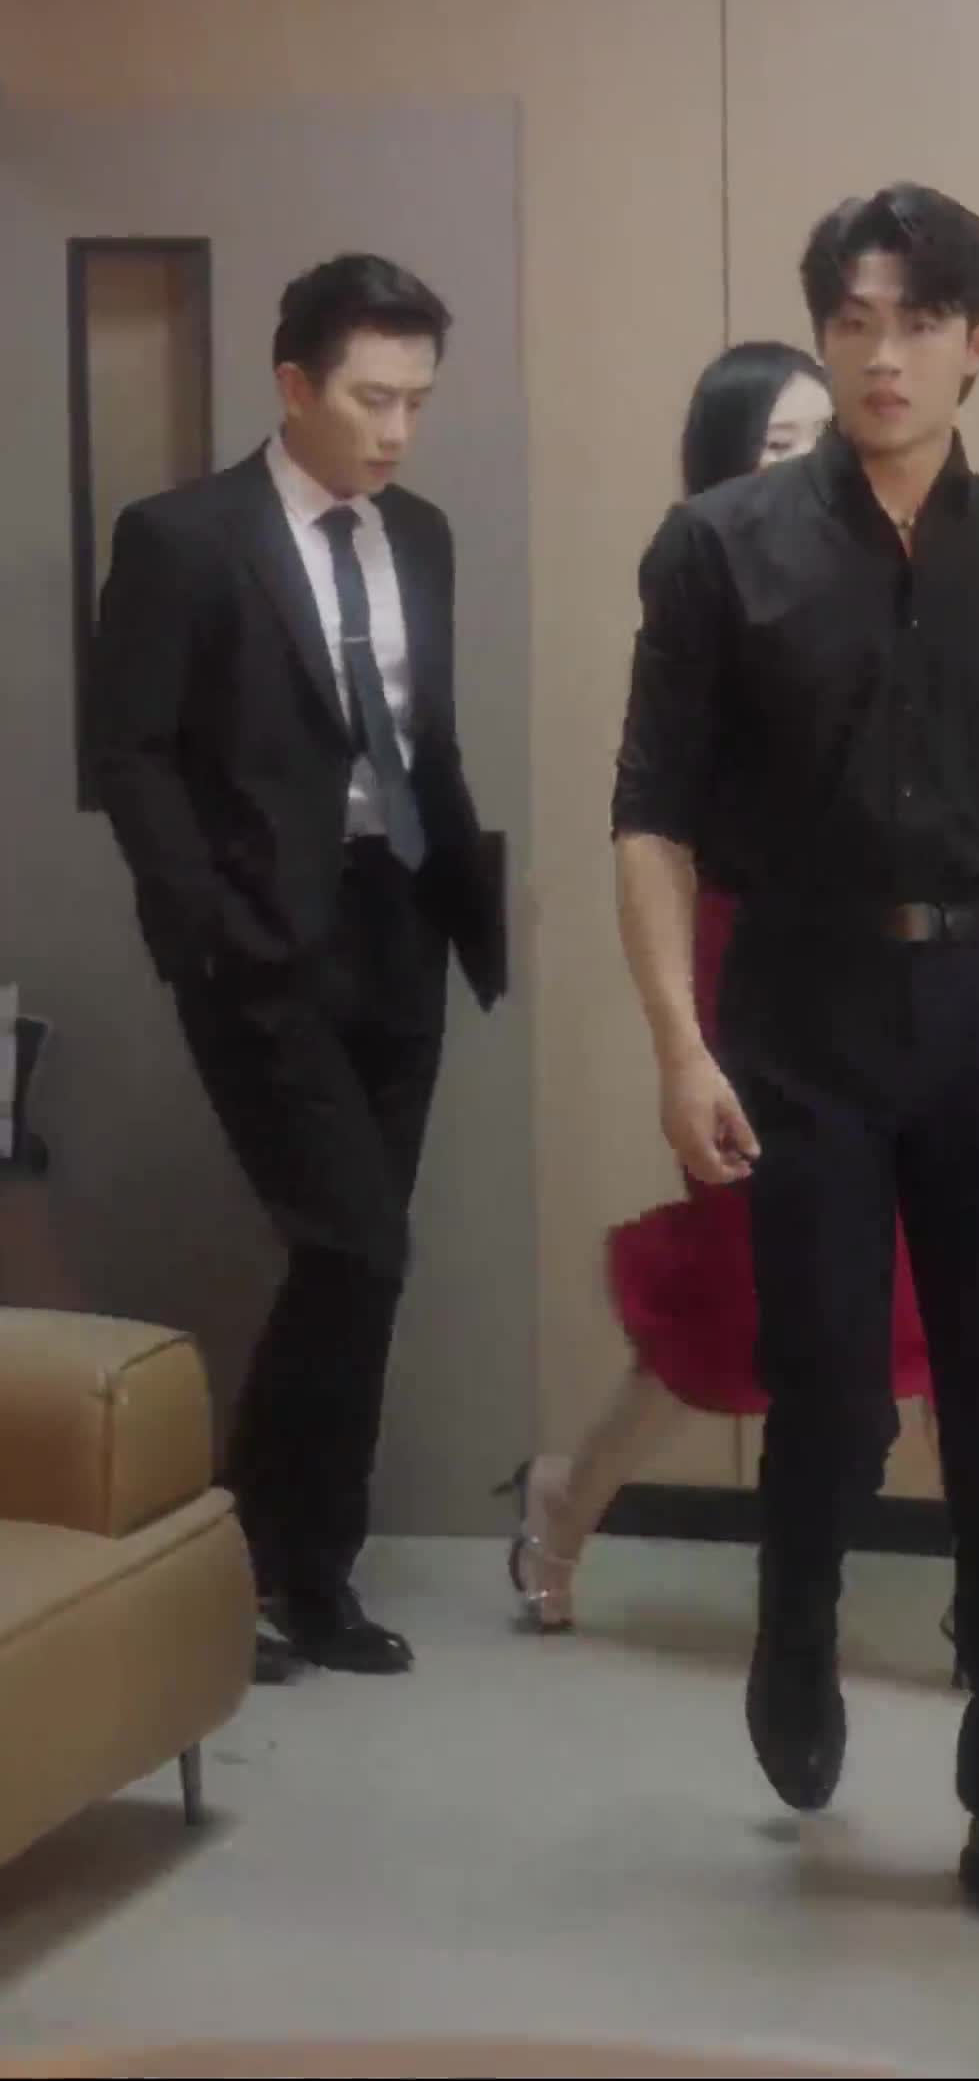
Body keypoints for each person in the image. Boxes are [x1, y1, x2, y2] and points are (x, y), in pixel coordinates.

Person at [612, 185, 979, 1952]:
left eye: (918, 322)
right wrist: (679, 1043)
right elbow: (650, 818)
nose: (881, 355)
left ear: (977, 343)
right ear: (823, 332)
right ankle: (796, 1621)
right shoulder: (720, 550)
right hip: (798, 1012)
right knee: (832, 1385)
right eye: (852, 319)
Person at [91, 254, 506, 1684]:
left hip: (403, 921)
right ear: (292, 384)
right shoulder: (184, 538)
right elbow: (128, 751)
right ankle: (269, 1566)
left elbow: (422, 735)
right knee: (357, 1246)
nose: (397, 431)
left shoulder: (421, 535)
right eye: (371, 398)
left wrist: (463, 895)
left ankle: (289, 1570)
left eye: (418, 402)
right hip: (263, 940)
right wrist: (205, 917)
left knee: (360, 1266)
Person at [505, 344, 933, 1635]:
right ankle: (566, 1501)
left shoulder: (907, 565)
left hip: (889, 964)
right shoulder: (704, 582)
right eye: (781, 445)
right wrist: (683, 1043)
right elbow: (660, 818)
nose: (817, 465)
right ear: (727, 469)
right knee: (744, 1288)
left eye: (827, 437)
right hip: (746, 960)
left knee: (932, 1279)